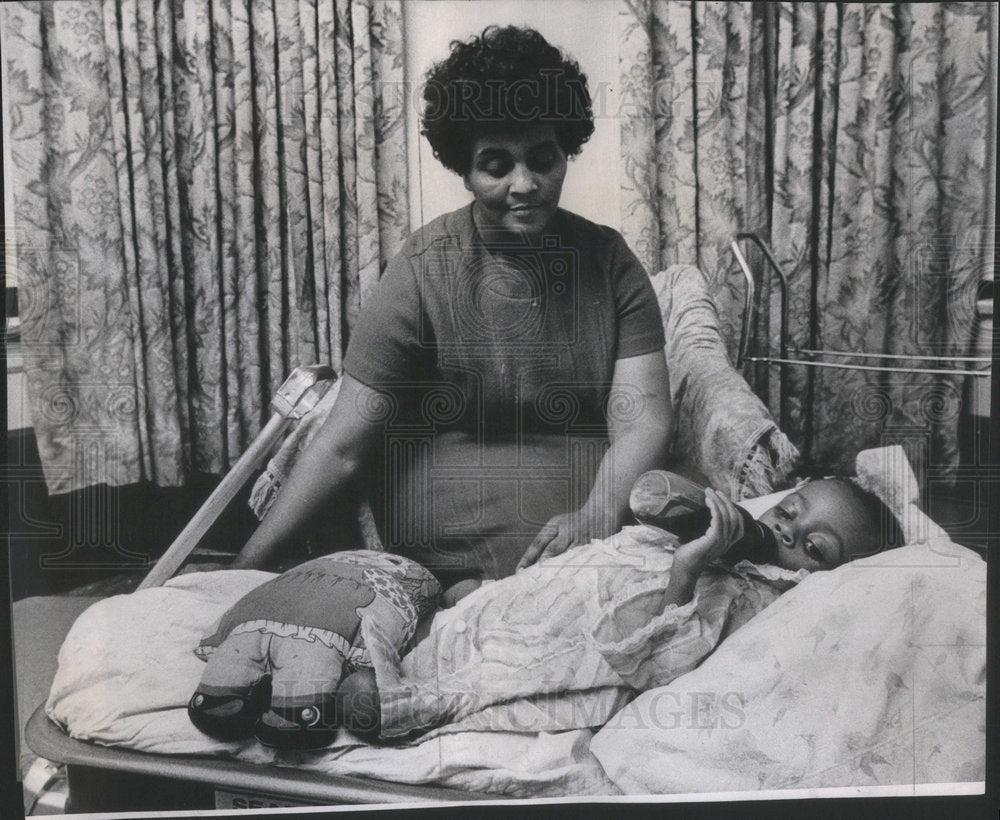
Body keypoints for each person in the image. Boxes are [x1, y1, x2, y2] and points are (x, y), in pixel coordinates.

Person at [233, 26, 673, 584]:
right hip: (448, 518)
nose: (525, 184)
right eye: (496, 165)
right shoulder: (422, 267)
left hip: (586, 513)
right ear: (464, 170)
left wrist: (597, 514)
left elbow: (642, 423)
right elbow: (343, 446)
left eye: (542, 158)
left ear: (566, 150)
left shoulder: (610, 261)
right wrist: (243, 570)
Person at [355, 476, 906, 739]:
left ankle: (404, 704)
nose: (787, 530)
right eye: (788, 510)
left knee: (510, 673)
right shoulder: (729, 538)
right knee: (475, 611)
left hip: (587, 651)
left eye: (812, 547)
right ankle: (405, 652)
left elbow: (661, 665)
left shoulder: (759, 599)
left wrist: (689, 566)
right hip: (559, 598)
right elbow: (642, 519)